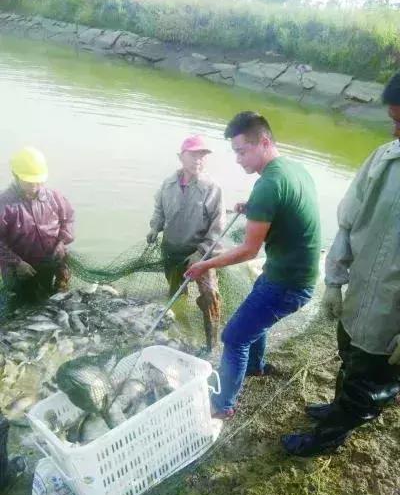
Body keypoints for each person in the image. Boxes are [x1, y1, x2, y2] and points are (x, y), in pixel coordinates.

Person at [282, 71, 400, 457]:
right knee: (348, 357)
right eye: (395, 121)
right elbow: (348, 222)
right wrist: (334, 281)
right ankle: (338, 409)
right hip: (360, 293)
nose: (396, 132)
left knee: (369, 383)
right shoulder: (384, 160)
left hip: (392, 318)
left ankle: (328, 439)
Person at [186, 112, 321, 418]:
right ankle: (256, 368)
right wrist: (254, 209)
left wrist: (205, 265)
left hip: (288, 283)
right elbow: (284, 209)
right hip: (294, 274)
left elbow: (248, 251)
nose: (237, 159)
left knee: (233, 337)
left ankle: (223, 406)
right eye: (235, 152)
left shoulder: (268, 185)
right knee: (253, 319)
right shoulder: (291, 169)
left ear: (263, 142)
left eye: (241, 151)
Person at [146, 135, 225, 353]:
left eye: (203, 155)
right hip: (172, 250)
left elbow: (218, 228)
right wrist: (155, 227)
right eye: (193, 155)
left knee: (211, 298)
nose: (198, 160)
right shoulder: (168, 183)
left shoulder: (212, 188)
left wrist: (200, 254)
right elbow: (159, 209)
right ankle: (178, 336)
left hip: (202, 253)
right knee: (175, 293)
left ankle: (212, 345)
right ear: (181, 157)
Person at [0, 146, 74, 305]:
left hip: (52, 261)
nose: (34, 186)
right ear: (15, 175)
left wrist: (61, 243)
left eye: (38, 180)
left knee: (57, 301)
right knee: (23, 305)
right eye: (28, 181)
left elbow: (68, 220)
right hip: (20, 269)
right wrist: (17, 263)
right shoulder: (4, 205)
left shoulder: (54, 197)